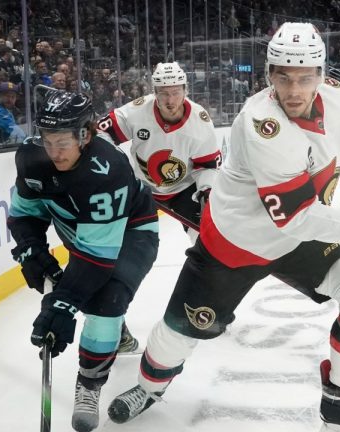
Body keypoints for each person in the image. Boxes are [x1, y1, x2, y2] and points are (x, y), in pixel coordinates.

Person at [107, 22, 340, 432]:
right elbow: (294, 215)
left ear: (321, 74)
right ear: (269, 76)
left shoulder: (337, 96)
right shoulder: (262, 122)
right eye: (283, 77)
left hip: (301, 235)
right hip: (236, 242)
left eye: (304, 78)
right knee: (181, 328)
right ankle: (149, 387)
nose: (293, 90)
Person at [7, 90, 160, 432]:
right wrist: (31, 251)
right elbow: (25, 214)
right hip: (80, 227)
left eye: (63, 142)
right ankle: (116, 334)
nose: (54, 152)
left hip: (134, 230)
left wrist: (61, 307)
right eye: (48, 141)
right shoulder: (31, 156)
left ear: (85, 134)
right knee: (87, 295)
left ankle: (90, 383)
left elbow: (95, 259)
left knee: (106, 300)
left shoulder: (107, 170)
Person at [96, 62, 221, 351]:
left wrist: (207, 192)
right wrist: (115, 163)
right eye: (163, 93)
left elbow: (206, 166)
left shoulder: (200, 121)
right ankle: (114, 324)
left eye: (175, 92)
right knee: (117, 250)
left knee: (210, 246)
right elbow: (100, 134)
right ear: (154, 93)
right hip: (140, 189)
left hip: (184, 189)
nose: (169, 99)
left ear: (185, 91)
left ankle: (209, 309)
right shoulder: (138, 110)